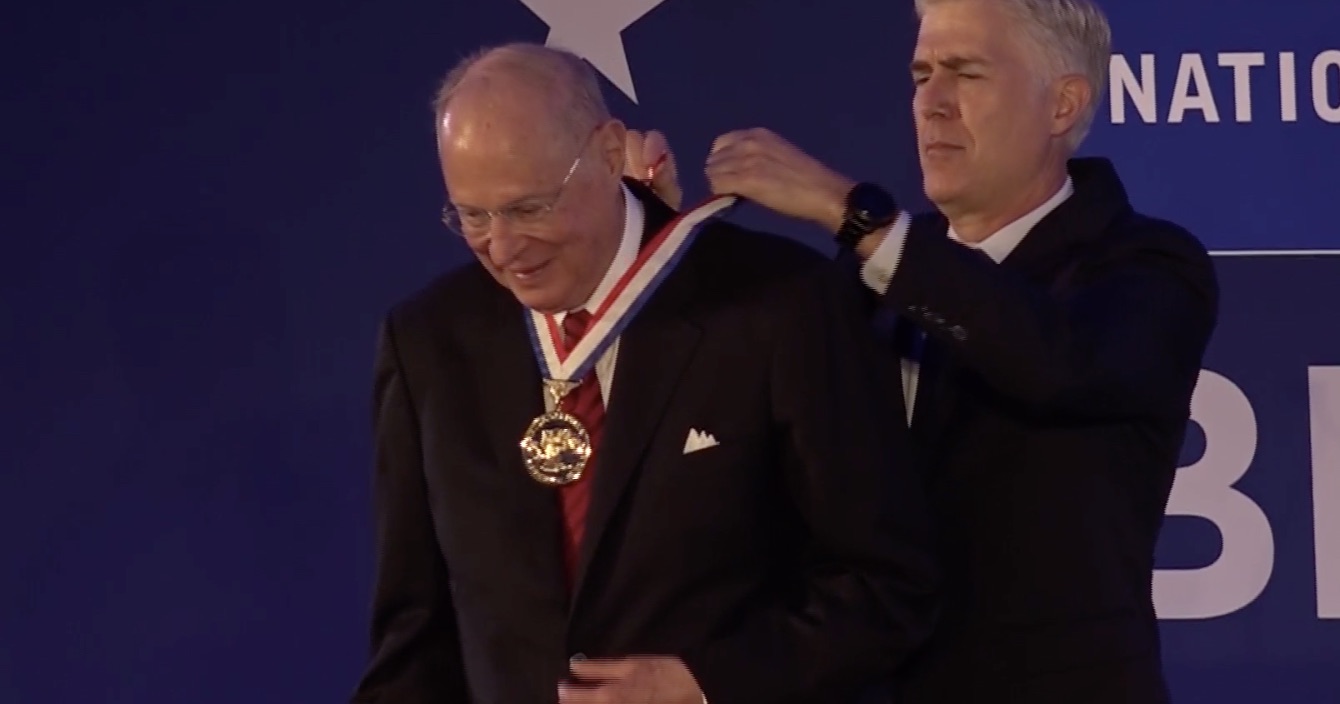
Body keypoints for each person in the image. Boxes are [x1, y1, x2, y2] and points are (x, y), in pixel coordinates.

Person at [633, 0, 1219, 701]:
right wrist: (654, 246)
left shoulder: (1148, 268)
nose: (931, 103)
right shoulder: (867, 279)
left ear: (1062, 105)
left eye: (965, 73)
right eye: (921, 75)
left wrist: (850, 212)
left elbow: (1057, 363)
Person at [348, 43, 939, 704]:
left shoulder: (778, 307)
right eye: (472, 216)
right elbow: (414, 644)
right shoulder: (429, 341)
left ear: (607, 153)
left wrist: (707, 683)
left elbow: (888, 588)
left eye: (529, 208)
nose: (503, 248)